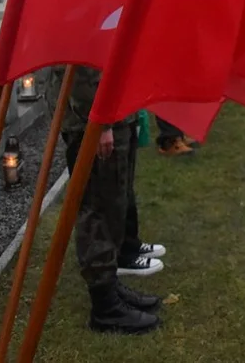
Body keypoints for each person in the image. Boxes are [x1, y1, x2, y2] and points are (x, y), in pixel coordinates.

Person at [47, 66, 165, 335]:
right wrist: (99, 122)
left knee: (114, 205)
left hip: (114, 112)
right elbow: (84, 65)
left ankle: (111, 287)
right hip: (95, 118)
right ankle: (105, 307)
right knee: (99, 209)